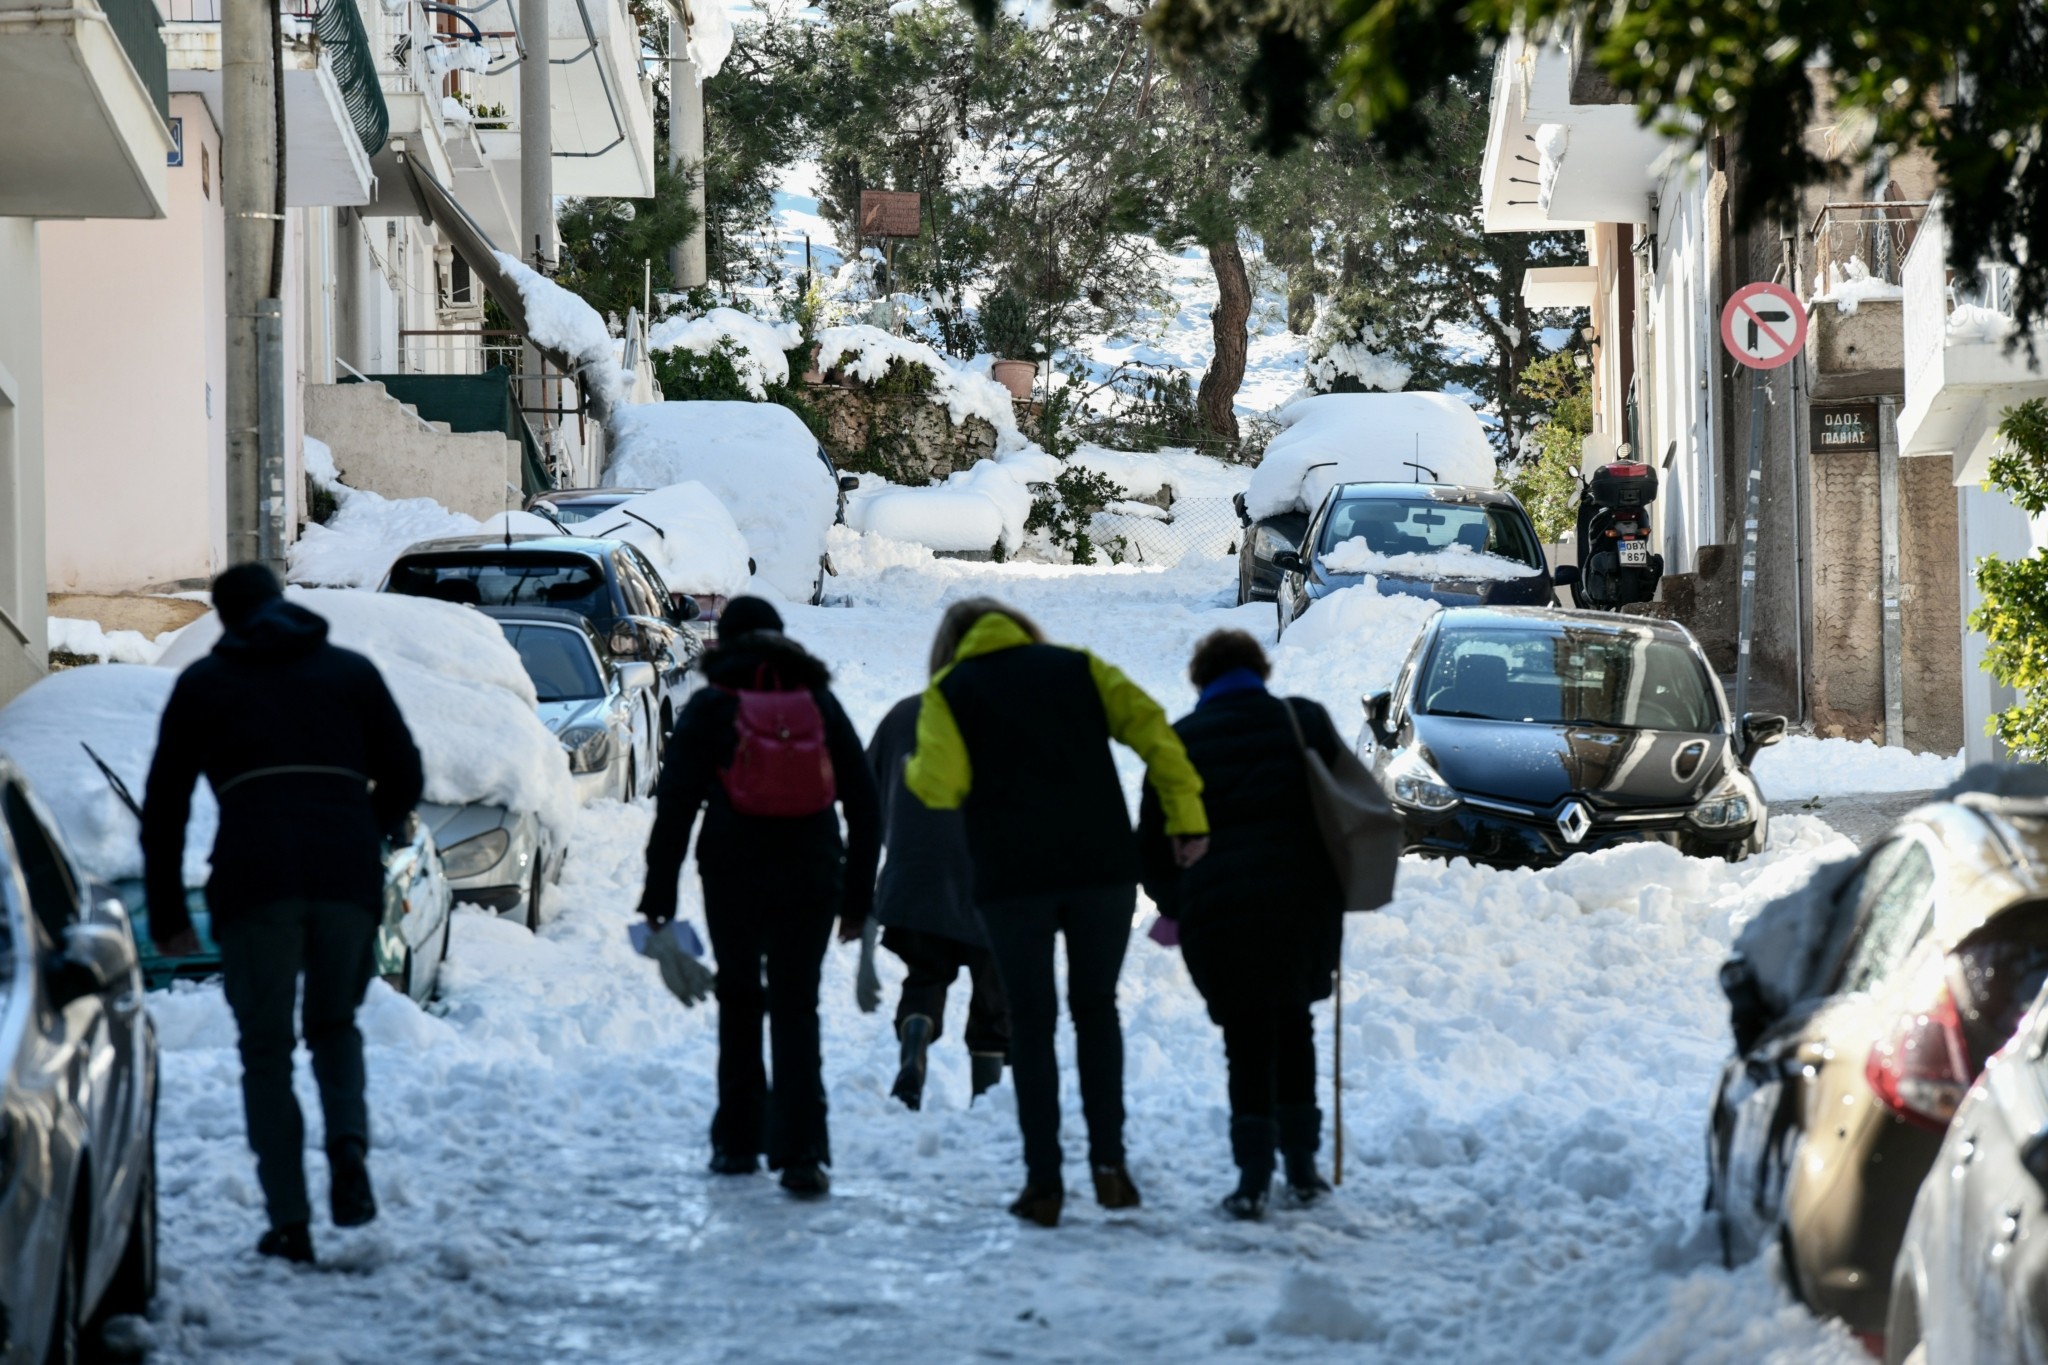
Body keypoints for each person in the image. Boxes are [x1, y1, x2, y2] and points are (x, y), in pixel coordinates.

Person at [143, 564, 424, 1265]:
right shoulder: (350, 672)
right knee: (335, 1026)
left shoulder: (204, 685)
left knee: (265, 1051)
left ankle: (289, 1220)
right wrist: (365, 827)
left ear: (224, 617)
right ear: (282, 605)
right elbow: (407, 774)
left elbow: (166, 804)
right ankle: (348, 1149)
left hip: (254, 879)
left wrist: (168, 908)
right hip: (344, 878)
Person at [906, 598, 1208, 1228]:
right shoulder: (1078, 667)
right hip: (1101, 870)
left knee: (1031, 1022)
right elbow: (1156, 733)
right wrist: (1186, 819)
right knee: (1096, 1011)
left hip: (1012, 878)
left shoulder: (950, 689)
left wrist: (916, 764)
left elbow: (939, 786)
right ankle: (1110, 1166)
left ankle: (1044, 1183)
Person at [636, 596, 880, 1198]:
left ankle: (738, 1144)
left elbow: (675, 810)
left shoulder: (713, 705)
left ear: (728, 640)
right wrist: (857, 898)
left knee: (741, 999)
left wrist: (658, 902)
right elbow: (866, 802)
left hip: (733, 871)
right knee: (797, 1007)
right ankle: (802, 1155)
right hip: (813, 872)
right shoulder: (817, 701)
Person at [1138, 629, 1342, 1220]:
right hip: (1301, 905)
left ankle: (1253, 1177)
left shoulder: (1178, 742)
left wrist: (1183, 900)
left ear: (1200, 681)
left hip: (1219, 916)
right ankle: (1302, 1167)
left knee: (1246, 1039)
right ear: (1261, 672)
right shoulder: (1304, 721)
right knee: (1293, 1027)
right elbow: (1348, 807)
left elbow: (1149, 846)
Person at [868, 680, 1009, 1112]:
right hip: (990, 878)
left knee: (925, 976)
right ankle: (985, 1096)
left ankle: (915, 1041)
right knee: (993, 992)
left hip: (916, 875)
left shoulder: (902, 714)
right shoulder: (1008, 717)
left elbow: (867, 793)